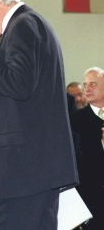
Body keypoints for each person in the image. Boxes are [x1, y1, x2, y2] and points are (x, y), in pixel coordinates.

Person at [0, 0, 78, 229]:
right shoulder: (29, 25)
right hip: (33, 171)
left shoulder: (22, 26)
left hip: (19, 172)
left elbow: (19, 84)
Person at [70, 67, 104, 230]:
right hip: (90, 199)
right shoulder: (75, 120)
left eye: (93, 84)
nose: (87, 89)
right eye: (85, 84)